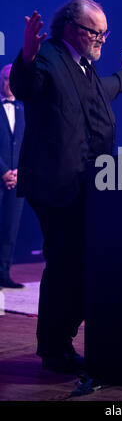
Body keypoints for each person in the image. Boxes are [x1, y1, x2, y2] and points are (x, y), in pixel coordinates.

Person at [10, 0, 122, 374]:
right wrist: (25, 54)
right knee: (65, 264)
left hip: (87, 185)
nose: (101, 38)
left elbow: (99, 92)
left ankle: (62, 341)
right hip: (56, 186)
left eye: (105, 32)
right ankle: (54, 348)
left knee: (80, 264)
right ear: (71, 28)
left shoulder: (84, 66)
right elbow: (27, 85)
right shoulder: (48, 56)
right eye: (95, 32)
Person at [0, 64, 25, 289]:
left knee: (10, 228)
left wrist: (19, 172)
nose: (9, 83)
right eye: (6, 79)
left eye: (12, 79)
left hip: (18, 180)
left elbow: (27, 143)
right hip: (1, 175)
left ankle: (4, 274)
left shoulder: (23, 109)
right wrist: (3, 171)